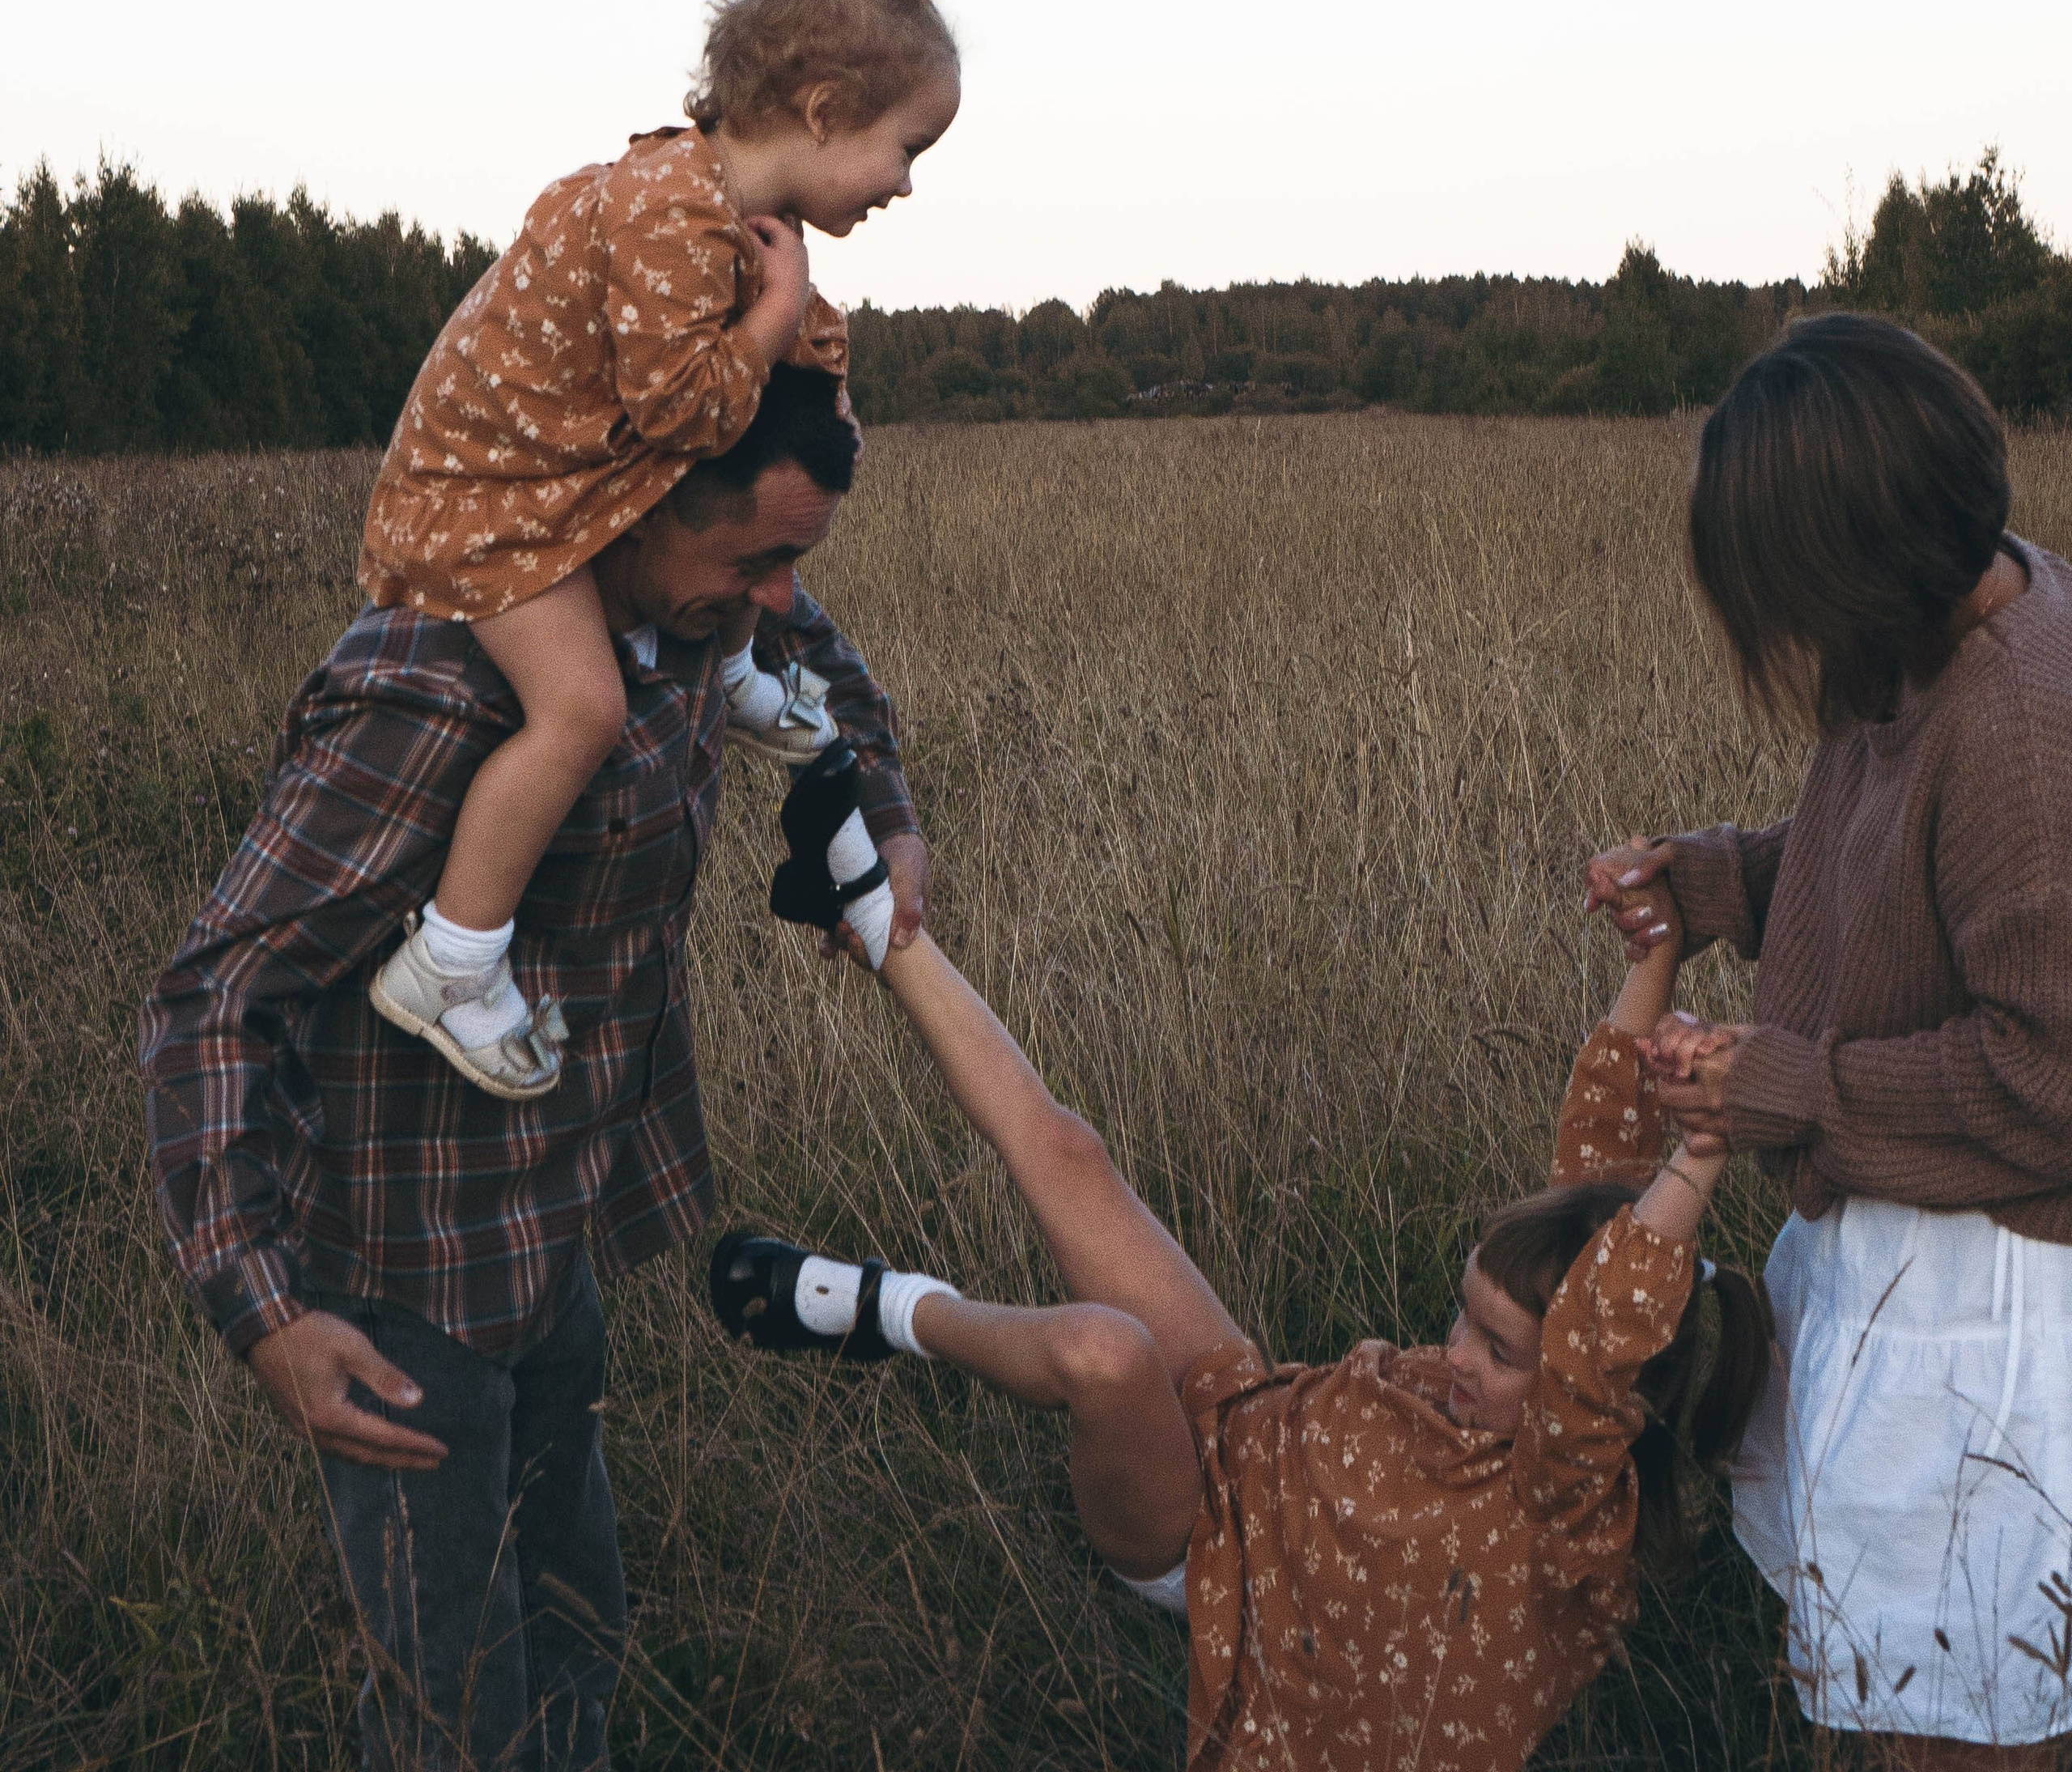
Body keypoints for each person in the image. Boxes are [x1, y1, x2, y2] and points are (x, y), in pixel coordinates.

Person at [139, 366, 928, 1772]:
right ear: (631, 505)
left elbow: (830, 674)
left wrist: (885, 817)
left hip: (550, 1219)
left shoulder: (708, 622)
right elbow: (216, 995)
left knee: (580, 1617)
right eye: (754, 558)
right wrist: (264, 1313)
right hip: (402, 1275)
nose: (777, 599)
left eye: (796, 562)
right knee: (455, 1702)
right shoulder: (437, 684)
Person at [708, 874, 1766, 1771]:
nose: (1452, 1354)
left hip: (1206, 1550)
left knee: (1102, 1353)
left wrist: (1705, 1154)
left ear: (1601, 1393)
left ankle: (883, 1310)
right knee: (1072, 1154)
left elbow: (1609, 1322)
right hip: (1244, 1420)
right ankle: (871, 905)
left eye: (1495, 1352)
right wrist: (1657, 946)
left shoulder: (1568, 1499)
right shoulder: (1552, 1328)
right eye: (1462, 1316)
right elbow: (1600, 1160)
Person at [1586, 312, 2072, 1769]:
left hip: (1992, 1309)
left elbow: (2053, 1080)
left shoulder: (2024, 727)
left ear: (1858, 559)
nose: (1786, 631)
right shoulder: (1942, 623)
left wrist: (1782, 1085)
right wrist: (1725, 873)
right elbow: (1901, 863)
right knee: (1886, 1695)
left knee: (1953, 1728)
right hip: (1918, 1256)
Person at [356, 0, 958, 1094]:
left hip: (554, 494)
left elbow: (801, 350)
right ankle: (448, 962)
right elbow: (683, 407)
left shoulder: (720, 219)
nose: (905, 184)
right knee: (579, 708)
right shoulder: (669, 214)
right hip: (489, 509)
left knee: (730, 576)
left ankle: (734, 672)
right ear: (826, 112)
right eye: (906, 149)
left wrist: (817, 363)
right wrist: (780, 307)